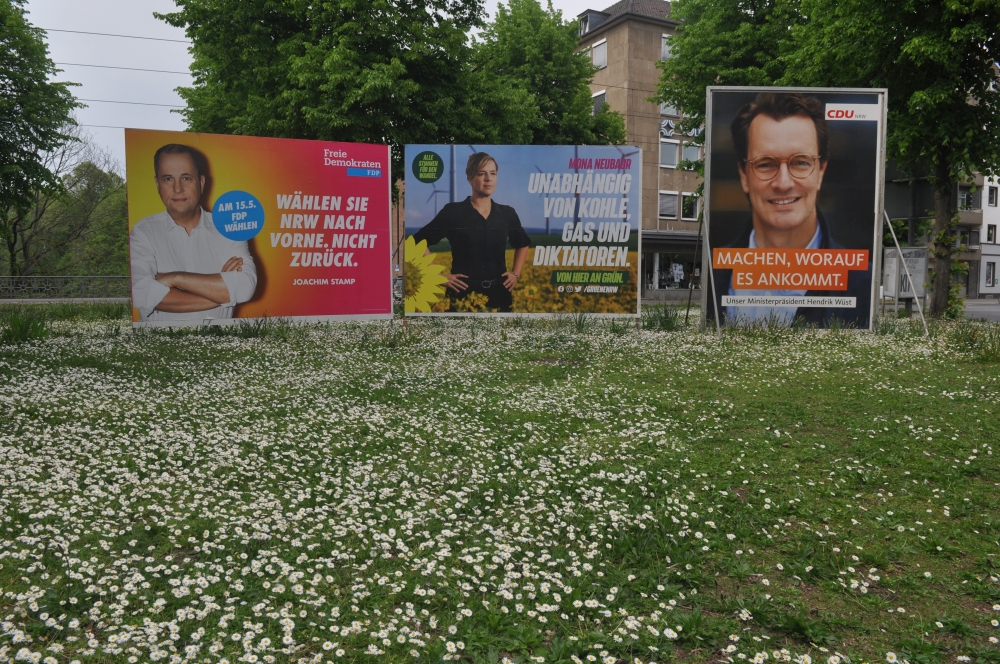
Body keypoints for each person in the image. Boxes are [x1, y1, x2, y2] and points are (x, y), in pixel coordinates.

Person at [711, 92, 872, 327]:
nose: (784, 183)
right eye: (765, 164)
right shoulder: (713, 276)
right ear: (744, 176)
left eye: (801, 163)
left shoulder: (862, 282)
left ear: (820, 172)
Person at [130, 144, 257, 322]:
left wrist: (175, 278)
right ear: (158, 184)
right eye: (168, 178)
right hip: (159, 346)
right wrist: (221, 294)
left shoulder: (230, 228)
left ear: (201, 183)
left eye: (186, 178)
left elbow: (244, 288)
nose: (177, 188)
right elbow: (141, 292)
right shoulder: (143, 232)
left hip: (219, 345)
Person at [412, 152, 530, 313]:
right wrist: (436, 275)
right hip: (462, 294)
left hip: (499, 294)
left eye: (493, 173)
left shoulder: (508, 213)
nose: (489, 178)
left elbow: (523, 244)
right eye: (482, 173)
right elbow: (417, 242)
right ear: (470, 178)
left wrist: (516, 274)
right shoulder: (453, 212)